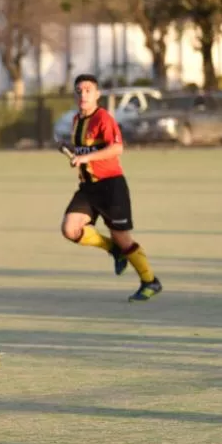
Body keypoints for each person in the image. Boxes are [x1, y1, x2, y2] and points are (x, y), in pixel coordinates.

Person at [59, 73, 163, 301]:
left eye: (88, 90)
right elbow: (85, 151)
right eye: (79, 90)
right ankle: (113, 250)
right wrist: (72, 152)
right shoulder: (77, 120)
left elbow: (117, 149)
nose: (83, 94)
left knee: (123, 238)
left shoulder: (103, 118)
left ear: (97, 94)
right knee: (70, 229)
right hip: (88, 188)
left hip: (111, 187)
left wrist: (85, 159)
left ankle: (150, 281)